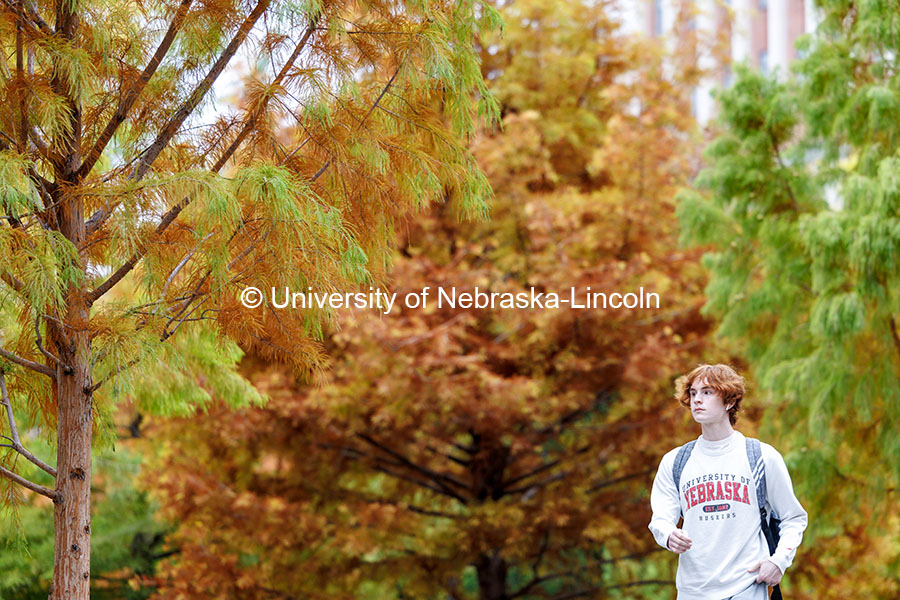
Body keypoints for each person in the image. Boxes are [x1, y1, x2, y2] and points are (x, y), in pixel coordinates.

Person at [648, 364, 808, 600]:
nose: (697, 400)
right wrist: (669, 535)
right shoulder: (675, 461)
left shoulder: (761, 457)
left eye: (707, 392)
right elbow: (660, 520)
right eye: (693, 393)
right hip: (693, 591)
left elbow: (793, 517)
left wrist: (779, 561)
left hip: (746, 586)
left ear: (729, 401)